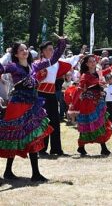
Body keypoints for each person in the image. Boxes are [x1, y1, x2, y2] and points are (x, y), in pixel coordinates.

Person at [0, 36, 66, 181]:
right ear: (16, 54)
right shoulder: (12, 66)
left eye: (26, 49)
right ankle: (8, 171)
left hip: (32, 105)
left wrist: (61, 43)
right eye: (21, 49)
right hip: (17, 106)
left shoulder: (35, 66)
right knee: (14, 137)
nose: (25, 51)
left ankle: (35, 173)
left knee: (33, 136)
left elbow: (53, 60)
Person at [69, 55, 112, 156]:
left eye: (94, 61)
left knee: (101, 124)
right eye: (90, 62)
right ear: (86, 64)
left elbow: (109, 69)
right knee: (87, 125)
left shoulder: (99, 73)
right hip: (88, 104)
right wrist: (73, 104)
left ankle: (102, 148)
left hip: (99, 102)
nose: (93, 63)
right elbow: (79, 90)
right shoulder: (85, 76)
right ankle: (82, 147)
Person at [37, 41, 82, 156]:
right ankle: (41, 149)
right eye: (49, 49)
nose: (52, 51)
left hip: (51, 94)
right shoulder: (38, 63)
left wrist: (79, 56)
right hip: (40, 95)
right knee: (43, 122)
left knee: (55, 121)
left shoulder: (56, 62)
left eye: (53, 49)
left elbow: (69, 61)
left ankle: (56, 149)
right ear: (42, 51)